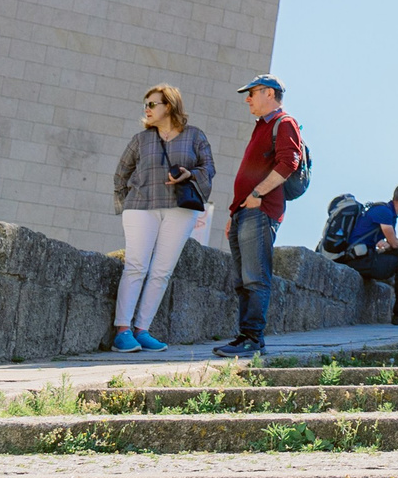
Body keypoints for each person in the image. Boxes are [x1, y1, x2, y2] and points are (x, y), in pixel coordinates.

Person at [110, 83, 214, 353]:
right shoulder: (140, 139)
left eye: (152, 104)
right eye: (145, 104)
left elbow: (208, 168)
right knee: (136, 266)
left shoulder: (194, 136)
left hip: (181, 209)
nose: (146, 109)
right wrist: (127, 204)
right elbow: (121, 174)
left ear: (169, 106)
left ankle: (142, 329)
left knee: (162, 271)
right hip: (141, 207)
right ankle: (123, 331)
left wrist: (189, 175)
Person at [215, 74, 304, 357]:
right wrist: (234, 212)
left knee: (255, 278)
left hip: (261, 210)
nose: (247, 99)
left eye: (252, 93)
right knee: (242, 281)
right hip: (244, 212)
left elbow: (289, 163)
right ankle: (245, 337)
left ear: (269, 93)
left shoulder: (284, 122)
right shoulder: (261, 127)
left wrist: (257, 195)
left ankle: (253, 339)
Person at [338, 184, 398, 324]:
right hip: (358, 261)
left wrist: (389, 244)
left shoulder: (389, 213)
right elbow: (395, 243)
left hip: (363, 257)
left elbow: (387, 243)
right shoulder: (384, 212)